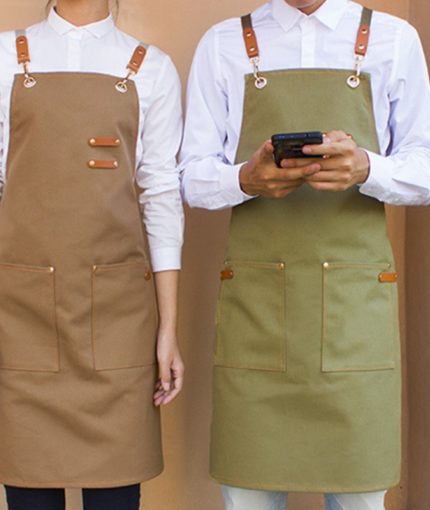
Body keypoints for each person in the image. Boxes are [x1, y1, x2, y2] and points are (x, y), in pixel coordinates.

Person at [179, 0, 430, 509]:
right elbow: (191, 178)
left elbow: (424, 169)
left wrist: (366, 169)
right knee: (248, 498)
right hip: (259, 315)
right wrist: (245, 179)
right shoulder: (225, 43)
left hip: (352, 316)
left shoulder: (393, 39)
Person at [0, 1, 185, 509]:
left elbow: (162, 197)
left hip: (120, 317)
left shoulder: (151, 67)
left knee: (117, 496)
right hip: (21, 316)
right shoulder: (3, 57)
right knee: (29, 494)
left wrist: (167, 328)